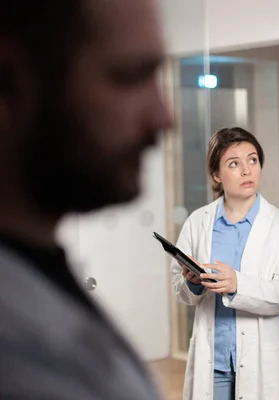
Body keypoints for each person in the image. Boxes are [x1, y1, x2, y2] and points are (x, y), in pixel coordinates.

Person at [0, 0, 173, 398]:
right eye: (129, 77)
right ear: (8, 82)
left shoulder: (35, 271)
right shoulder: (18, 357)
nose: (164, 117)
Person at [170, 127, 279, 400]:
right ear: (217, 175)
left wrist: (237, 285)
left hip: (262, 360)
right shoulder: (198, 222)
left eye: (253, 160)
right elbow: (179, 287)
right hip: (214, 362)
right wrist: (193, 284)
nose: (247, 170)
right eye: (234, 163)